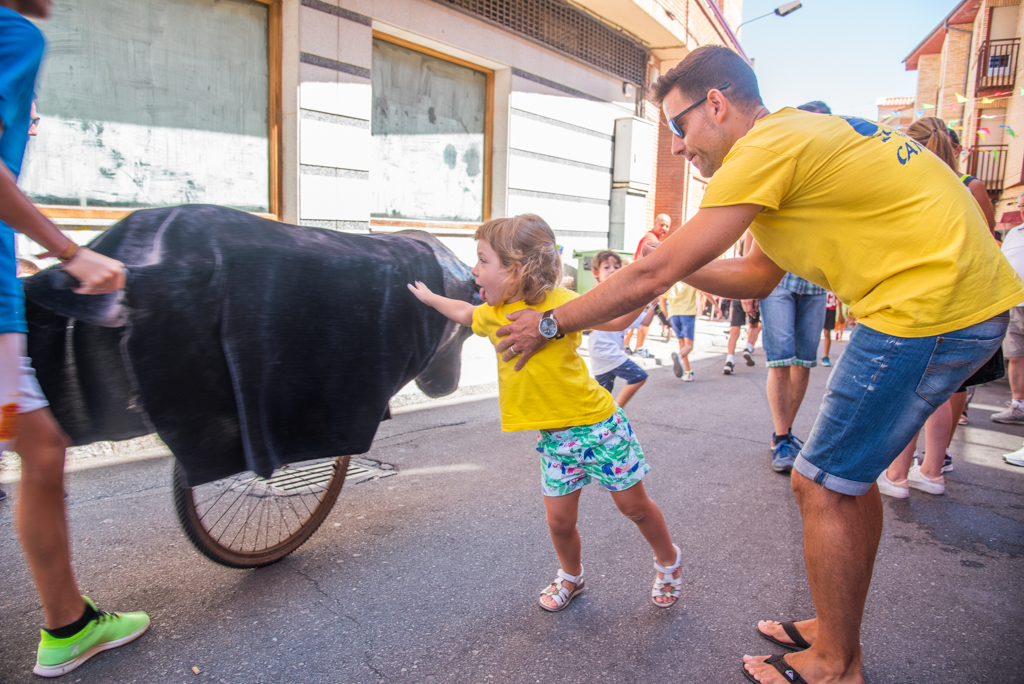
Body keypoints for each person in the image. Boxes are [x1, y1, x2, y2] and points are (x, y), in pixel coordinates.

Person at [493, 46, 1022, 684]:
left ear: (715, 103)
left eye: (678, 127)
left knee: (820, 483)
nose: (680, 149)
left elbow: (657, 270)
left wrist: (553, 320)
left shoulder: (762, 148)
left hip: (929, 305)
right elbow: (755, 276)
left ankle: (834, 665)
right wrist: (661, 272)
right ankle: (837, 631)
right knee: (845, 481)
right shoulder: (794, 144)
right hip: (951, 300)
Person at [407, 214, 683, 611]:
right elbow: (465, 313)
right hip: (555, 443)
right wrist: (431, 299)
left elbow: (617, 317)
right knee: (559, 522)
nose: (473, 270)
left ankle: (668, 561)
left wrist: (654, 285)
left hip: (599, 429)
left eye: (483, 260)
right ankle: (572, 577)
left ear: (515, 269)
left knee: (635, 509)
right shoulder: (492, 312)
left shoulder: (563, 304)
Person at [0, 0, 149, 677]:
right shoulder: (12, 32)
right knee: (41, 447)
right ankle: (66, 625)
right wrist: (68, 252)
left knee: (40, 445)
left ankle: (68, 622)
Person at [877, 117, 1001, 498]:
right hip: (964, 295)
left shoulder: (912, 185)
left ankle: (897, 474)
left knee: (910, 387)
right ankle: (931, 471)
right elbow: (989, 243)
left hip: (921, 294)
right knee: (943, 389)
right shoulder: (970, 186)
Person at [757, 101, 831, 474]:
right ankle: (781, 436)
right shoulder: (784, 162)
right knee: (780, 359)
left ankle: (788, 432)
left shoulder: (835, 171)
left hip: (816, 279)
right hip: (779, 279)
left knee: (804, 361)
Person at [587, 250, 654, 407]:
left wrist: (653, 303)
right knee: (639, 376)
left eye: (616, 267)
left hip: (605, 352)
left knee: (602, 398)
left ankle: (596, 420)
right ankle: (617, 411)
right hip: (605, 351)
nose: (612, 270)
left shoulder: (620, 297)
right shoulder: (597, 293)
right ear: (596, 272)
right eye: (607, 267)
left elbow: (645, 321)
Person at [991, 192, 1024, 428]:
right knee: (1015, 355)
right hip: (1015, 304)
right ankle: (1018, 405)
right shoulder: (1014, 233)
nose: (1023, 209)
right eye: (1021, 205)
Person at [626, 213, 673, 357]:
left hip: (640, 286)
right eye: (662, 224)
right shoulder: (650, 239)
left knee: (634, 319)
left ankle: (626, 346)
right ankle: (639, 348)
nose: (664, 228)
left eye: (667, 226)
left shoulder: (651, 238)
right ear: (655, 223)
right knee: (643, 321)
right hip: (644, 287)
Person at [724, 233, 761, 375]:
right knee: (754, 326)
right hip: (753, 292)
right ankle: (749, 347)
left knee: (735, 329)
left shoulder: (737, 260)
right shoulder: (757, 264)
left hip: (737, 294)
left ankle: (729, 359)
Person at [665, 279, 698, 381]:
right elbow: (706, 292)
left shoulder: (672, 283)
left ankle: (688, 372)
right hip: (687, 314)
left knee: (682, 345)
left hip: (673, 314)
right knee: (688, 346)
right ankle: (679, 357)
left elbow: (662, 300)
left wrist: (666, 317)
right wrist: (716, 306)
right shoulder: (691, 281)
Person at [820, 292, 840, 366]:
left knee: (827, 332)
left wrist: (840, 313)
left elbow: (839, 298)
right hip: (821, 306)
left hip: (831, 308)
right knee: (814, 333)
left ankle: (825, 356)